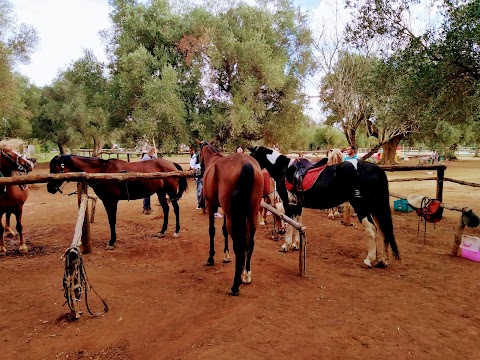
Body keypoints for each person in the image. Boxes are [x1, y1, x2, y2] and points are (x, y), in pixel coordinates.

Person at [141, 146, 156, 214]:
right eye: (153, 152)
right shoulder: (146, 158)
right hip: (145, 176)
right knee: (146, 192)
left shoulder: (151, 157)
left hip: (149, 177)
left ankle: (147, 207)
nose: (153, 153)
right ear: (150, 152)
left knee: (147, 192)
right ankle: (146, 208)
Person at [190, 145, 204, 210]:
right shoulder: (196, 155)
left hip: (206, 171)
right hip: (198, 171)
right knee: (199, 188)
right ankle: (199, 204)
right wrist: (197, 171)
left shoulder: (207, 155)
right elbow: (192, 165)